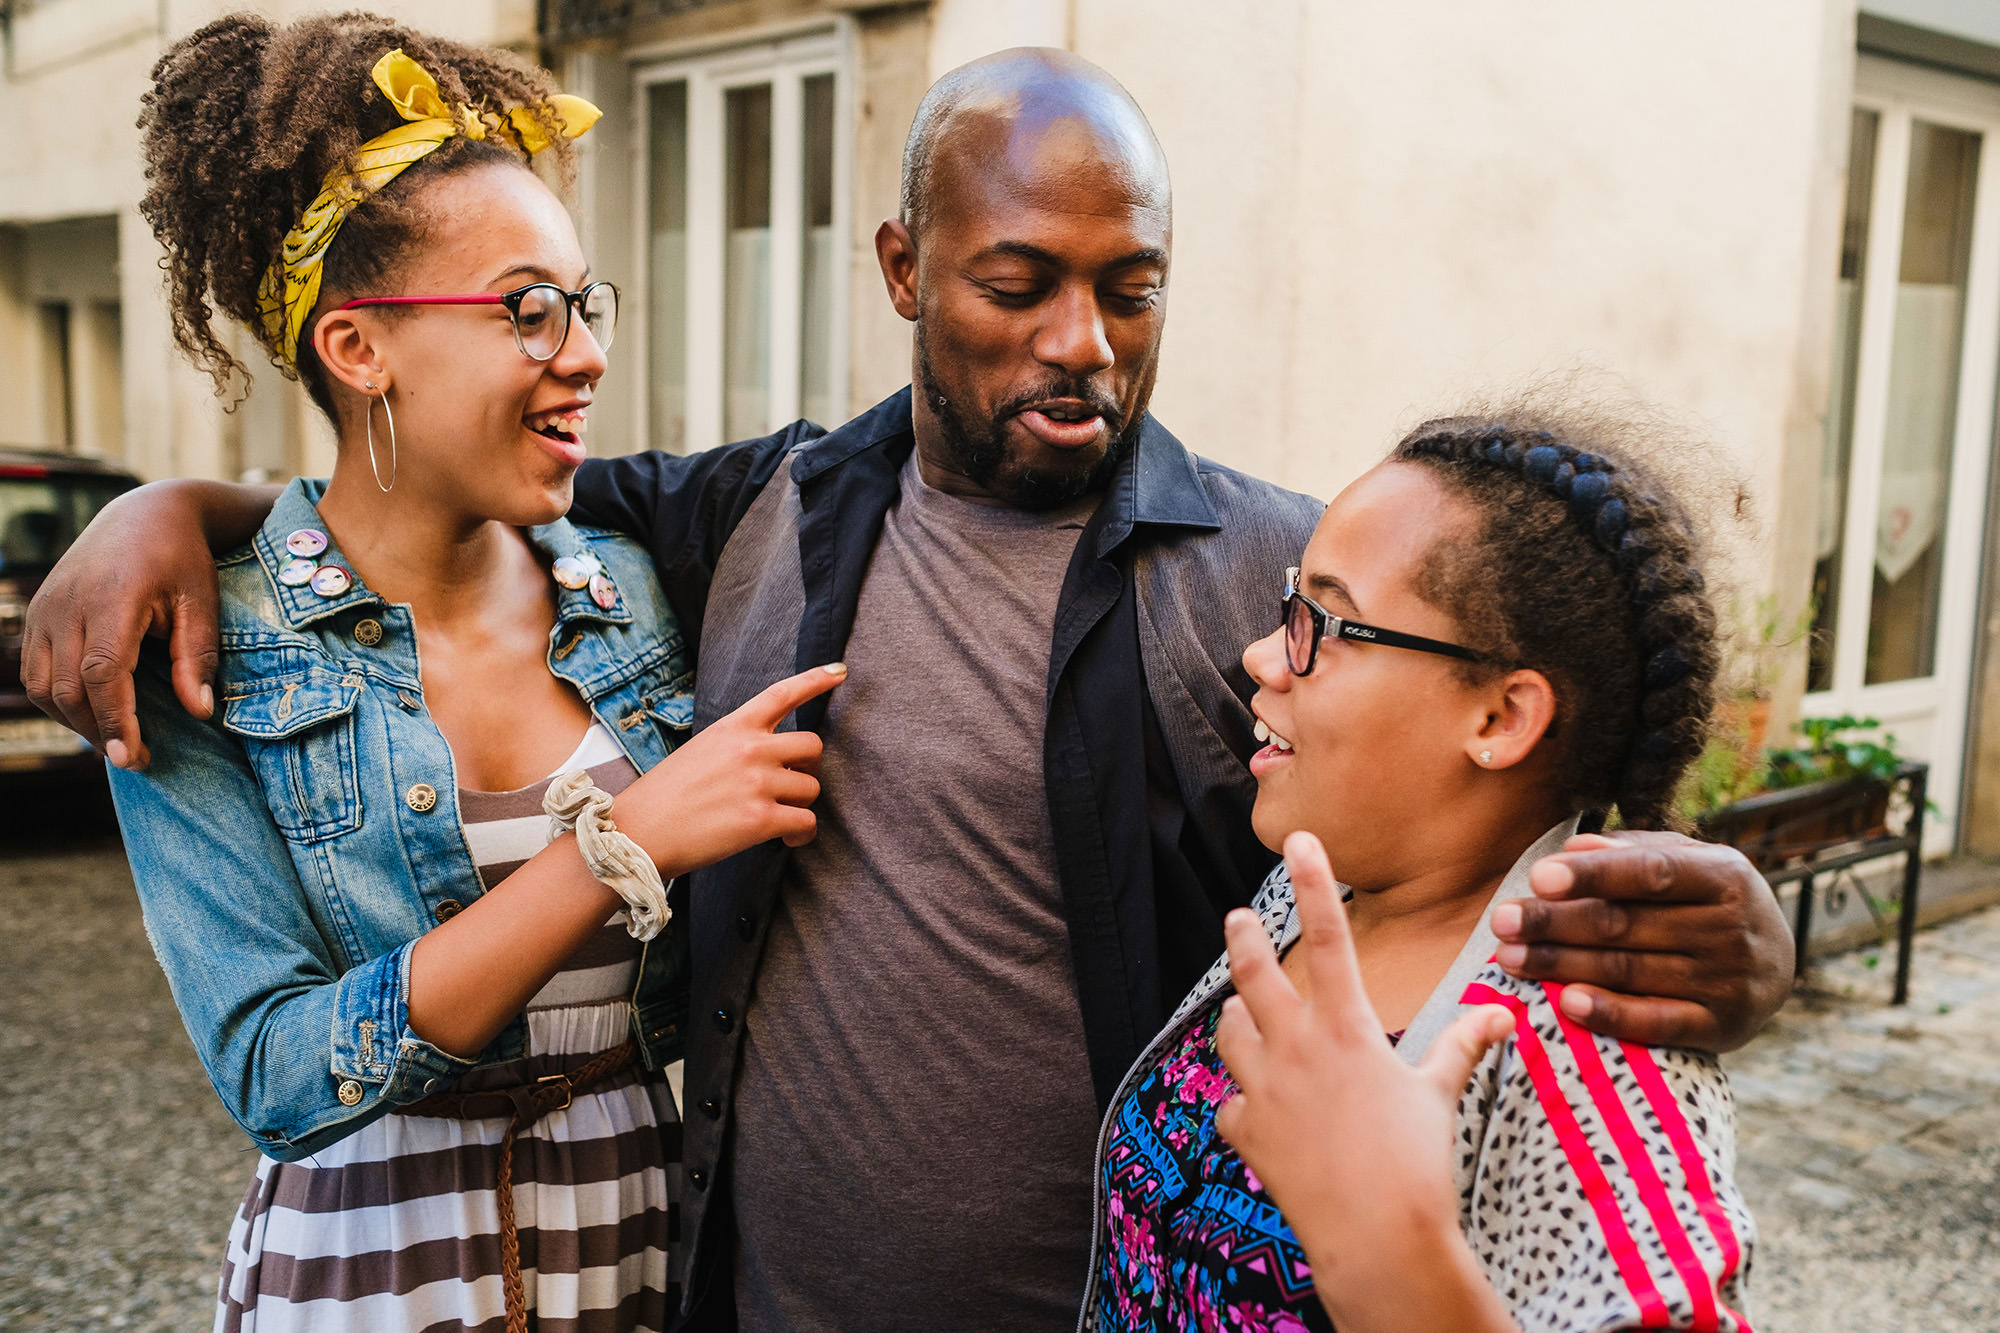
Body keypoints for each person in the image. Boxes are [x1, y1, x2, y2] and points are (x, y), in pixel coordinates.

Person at [27, 48, 1792, 1332]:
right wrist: (168, 510)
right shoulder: (751, 516)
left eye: (1130, 289)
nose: (1077, 343)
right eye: (1015, 284)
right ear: (905, 271)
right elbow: (426, 514)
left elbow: (1504, 736)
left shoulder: (1272, 570)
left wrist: (1733, 915)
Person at [102, 15, 842, 1331]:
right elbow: (277, 1068)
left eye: (584, 303)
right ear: (358, 348)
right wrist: (628, 840)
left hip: (639, 1242)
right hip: (372, 1276)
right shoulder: (202, 649)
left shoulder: (635, 587)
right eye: (526, 310)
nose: (586, 352)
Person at [1083, 409, 1755, 1331]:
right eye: (1292, 605)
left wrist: (1395, 1259)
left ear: (1500, 718)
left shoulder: (1591, 1032)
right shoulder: (1321, 887)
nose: (1261, 656)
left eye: (1328, 622)